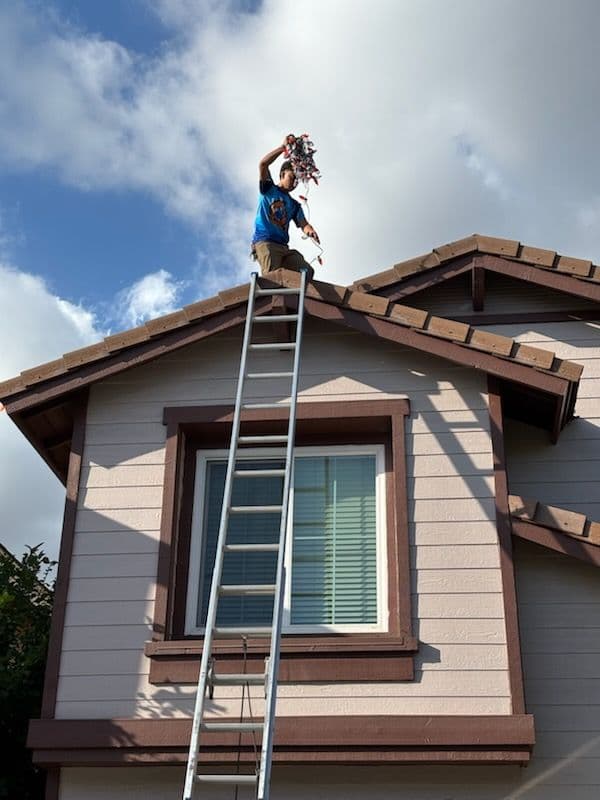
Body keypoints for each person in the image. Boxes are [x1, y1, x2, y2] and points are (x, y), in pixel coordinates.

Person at [251, 136, 320, 281]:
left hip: (283, 247)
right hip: (266, 242)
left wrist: (310, 231)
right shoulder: (269, 189)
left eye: (297, 180)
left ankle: (296, 301)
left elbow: (304, 224)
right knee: (272, 280)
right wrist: (283, 148)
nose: (294, 182)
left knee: (307, 272)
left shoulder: (294, 205)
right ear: (282, 174)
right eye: (292, 177)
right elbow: (263, 164)